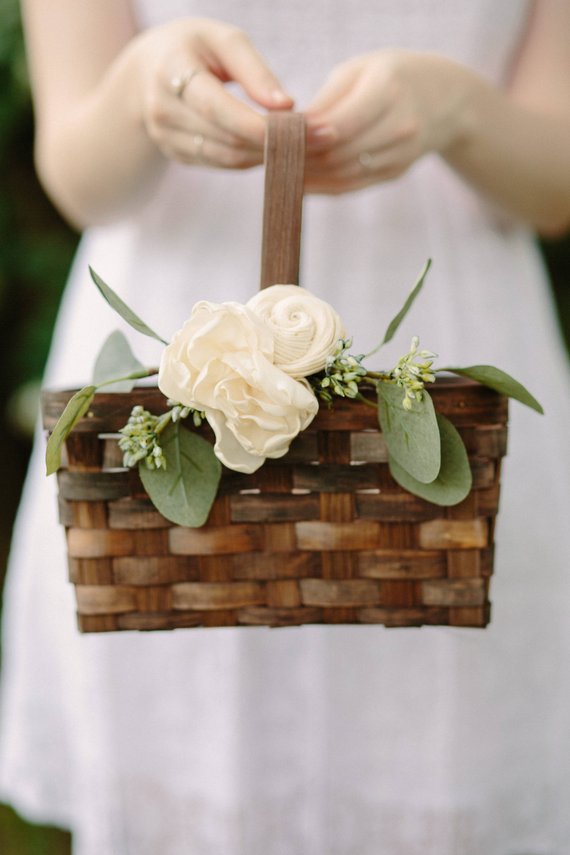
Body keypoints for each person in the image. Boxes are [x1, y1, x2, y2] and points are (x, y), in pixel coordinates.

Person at [1, 1, 569, 853]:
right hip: (174, 377)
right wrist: (143, 94)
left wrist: (459, 108)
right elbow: (77, 172)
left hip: (443, 389)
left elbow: (557, 182)